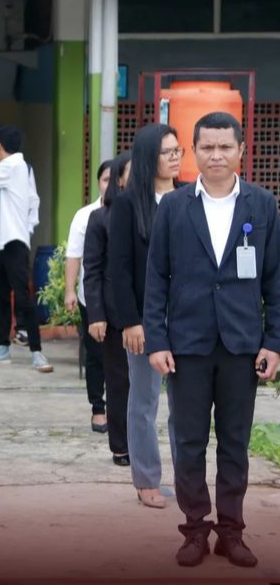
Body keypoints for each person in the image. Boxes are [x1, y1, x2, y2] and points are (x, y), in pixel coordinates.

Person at [145, 112, 280, 568]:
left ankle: (232, 531)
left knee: (235, 442)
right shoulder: (175, 206)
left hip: (242, 345)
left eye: (225, 147)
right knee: (188, 442)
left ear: (241, 149)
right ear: (193, 152)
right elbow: (156, 279)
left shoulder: (262, 206)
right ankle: (195, 530)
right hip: (187, 345)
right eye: (207, 147)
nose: (217, 155)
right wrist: (157, 340)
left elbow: (275, 282)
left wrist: (274, 341)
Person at [109, 123, 180, 509]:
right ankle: (146, 479)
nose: (175, 157)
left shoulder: (189, 198)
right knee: (144, 401)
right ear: (147, 156)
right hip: (145, 320)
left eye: (178, 150)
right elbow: (118, 269)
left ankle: (184, 479)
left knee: (185, 405)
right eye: (167, 151)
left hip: (187, 318)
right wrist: (131, 320)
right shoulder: (127, 204)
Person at [0, 125, 51, 372]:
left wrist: (24, 230)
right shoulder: (20, 167)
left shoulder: (13, 165)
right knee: (2, 297)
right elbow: (33, 200)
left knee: (22, 297)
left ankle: (37, 351)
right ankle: (3, 347)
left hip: (14, 242)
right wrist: (28, 225)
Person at [83, 151, 132, 466]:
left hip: (148, 312)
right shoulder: (101, 218)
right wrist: (96, 314)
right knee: (118, 382)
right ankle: (121, 446)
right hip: (114, 314)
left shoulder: (156, 211)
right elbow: (93, 269)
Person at [65, 160, 112, 432]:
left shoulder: (129, 213)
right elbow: (74, 255)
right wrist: (70, 290)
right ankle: (98, 408)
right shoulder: (85, 215)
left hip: (122, 299)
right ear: (98, 183)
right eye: (104, 179)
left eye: (113, 180)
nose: (109, 185)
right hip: (91, 297)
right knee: (95, 354)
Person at [0, 155, 40, 346]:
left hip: (14, 238)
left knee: (20, 285)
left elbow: (33, 200)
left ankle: (23, 329)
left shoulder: (25, 168)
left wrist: (27, 228)